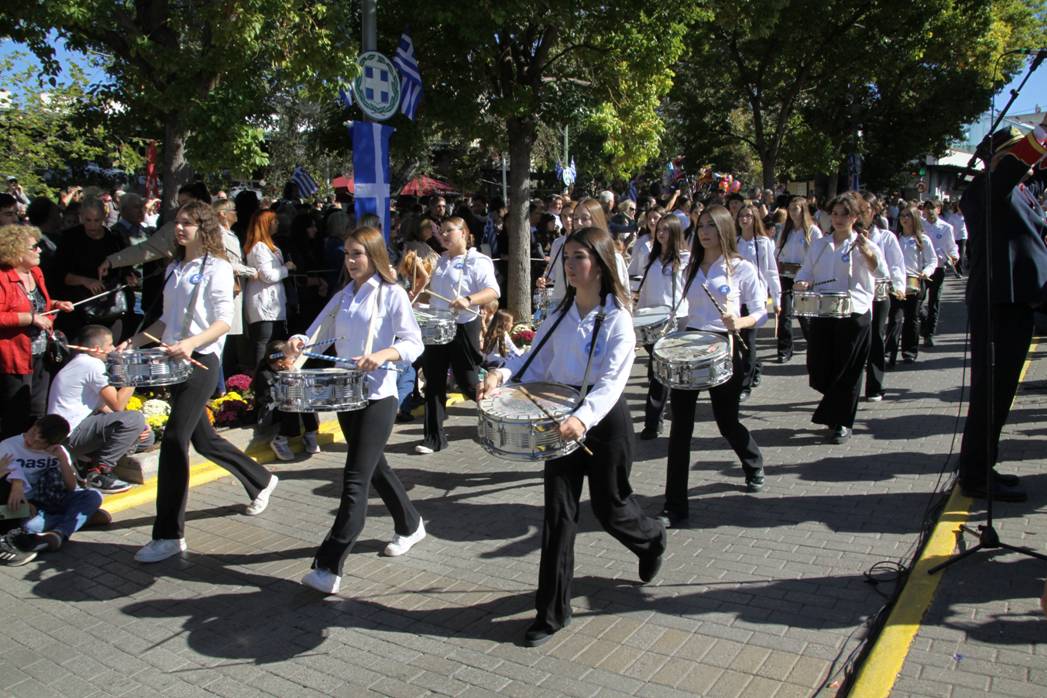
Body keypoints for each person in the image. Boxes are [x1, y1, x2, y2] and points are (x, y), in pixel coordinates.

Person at [477, 226, 666, 647]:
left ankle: (651, 538)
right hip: (558, 420)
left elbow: (613, 382)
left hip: (604, 422)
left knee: (610, 507)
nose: (570, 265)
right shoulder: (560, 315)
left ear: (600, 263)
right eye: (567, 258)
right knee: (558, 516)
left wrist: (584, 418)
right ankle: (552, 613)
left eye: (579, 257)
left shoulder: (617, 318)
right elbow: (531, 362)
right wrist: (500, 375)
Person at [121, 201, 278, 564]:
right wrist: (133, 342)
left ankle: (169, 535)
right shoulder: (175, 268)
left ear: (204, 228)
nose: (180, 228)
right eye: (177, 222)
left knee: (175, 440)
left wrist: (191, 343)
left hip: (201, 362)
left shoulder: (218, 268)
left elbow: (223, 321)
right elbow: (166, 321)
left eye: (188, 223)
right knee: (202, 439)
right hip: (175, 362)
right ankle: (260, 479)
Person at [288, 226, 426, 594]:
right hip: (347, 397)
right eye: (347, 254)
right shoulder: (343, 296)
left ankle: (328, 566)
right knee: (374, 468)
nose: (350, 261)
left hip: (379, 397)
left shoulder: (392, 293)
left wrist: (382, 354)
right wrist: (297, 344)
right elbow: (315, 335)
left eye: (357, 254)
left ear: (374, 255)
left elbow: (414, 343)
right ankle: (411, 523)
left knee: (354, 479)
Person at [956, 122, 1047, 502]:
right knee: (990, 393)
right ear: (1000, 158)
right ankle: (975, 475)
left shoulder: (1021, 190)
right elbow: (1016, 164)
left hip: (1018, 302)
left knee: (1002, 393)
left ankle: (983, 466)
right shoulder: (986, 189)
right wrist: (1043, 132)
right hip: (998, 303)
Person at [660, 206, 767, 529]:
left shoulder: (741, 268)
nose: (704, 232)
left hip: (724, 345)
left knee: (726, 421)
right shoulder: (689, 267)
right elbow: (682, 309)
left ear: (724, 230)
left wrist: (741, 321)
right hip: (690, 346)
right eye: (701, 226)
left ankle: (753, 462)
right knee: (680, 428)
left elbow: (761, 311)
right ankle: (674, 506)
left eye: (711, 226)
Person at [794, 193, 885, 443]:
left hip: (855, 312)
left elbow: (881, 273)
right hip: (824, 310)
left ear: (855, 217)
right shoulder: (820, 245)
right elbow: (806, 270)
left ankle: (842, 422)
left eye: (845, 214)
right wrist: (802, 282)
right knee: (819, 367)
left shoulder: (865, 244)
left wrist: (867, 254)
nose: (838, 218)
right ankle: (835, 409)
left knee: (848, 369)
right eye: (834, 213)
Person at [415, 217, 500, 454]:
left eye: (448, 231)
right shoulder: (440, 261)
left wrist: (469, 300)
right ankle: (433, 438)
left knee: (468, 381)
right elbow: (432, 295)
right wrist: (415, 295)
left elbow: (493, 291)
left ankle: (500, 410)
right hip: (437, 326)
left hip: (464, 325)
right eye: (441, 231)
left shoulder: (478, 261)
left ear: (463, 233)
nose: (443, 235)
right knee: (433, 380)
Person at [46, 324, 148, 494]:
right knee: (135, 419)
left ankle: (84, 460)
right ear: (97, 348)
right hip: (69, 434)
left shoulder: (82, 363)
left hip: (73, 431)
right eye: (110, 344)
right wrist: (134, 376)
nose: (113, 349)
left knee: (145, 436)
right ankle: (98, 473)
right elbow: (118, 404)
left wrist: (138, 427)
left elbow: (104, 406)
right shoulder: (92, 365)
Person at [0, 415, 110, 564]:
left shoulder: (58, 452)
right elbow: (6, 473)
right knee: (29, 526)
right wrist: (18, 486)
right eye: (33, 432)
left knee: (94, 495)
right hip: (29, 504)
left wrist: (62, 459)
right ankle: (81, 518)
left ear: (52, 444)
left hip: (54, 497)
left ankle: (59, 533)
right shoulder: (9, 446)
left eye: (39, 442)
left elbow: (71, 487)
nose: (31, 440)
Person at [0, 225, 74, 438]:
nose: (40, 250)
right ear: (15, 251)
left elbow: (37, 303)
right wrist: (31, 319)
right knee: (16, 414)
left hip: (41, 353)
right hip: (14, 357)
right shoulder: (3, 278)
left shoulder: (36, 273)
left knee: (38, 411)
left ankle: (33, 450)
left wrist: (56, 304)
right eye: (34, 247)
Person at [635, 214, 689, 440]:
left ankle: (654, 422)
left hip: (676, 319)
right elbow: (645, 291)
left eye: (666, 230)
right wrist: (638, 317)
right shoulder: (651, 259)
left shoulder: (685, 259)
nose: (661, 233)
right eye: (659, 230)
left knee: (663, 371)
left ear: (675, 232)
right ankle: (656, 419)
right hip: (653, 321)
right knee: (659, 371)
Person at [858, 193, 905, 401]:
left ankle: (874, 386)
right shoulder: (849, 235)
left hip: (879, 293)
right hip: (858, 293)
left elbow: (896, 264)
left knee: (876, 336)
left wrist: (899, 286)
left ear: (874, 211)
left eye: (866, 210)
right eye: (858, 210)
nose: (862, 214)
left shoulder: (886, 237)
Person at [735, 203, 779, 400]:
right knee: (739, 341)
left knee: (750, 340)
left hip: (756, 296)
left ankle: (744, 385)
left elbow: (771, 271)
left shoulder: (763, 242)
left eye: (748, 216)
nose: (744, 219)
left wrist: (776, 298)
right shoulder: (735, 242)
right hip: (737, 298)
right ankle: (755, 367)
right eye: (741, 216)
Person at [250, 339, 321, 461]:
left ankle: (310, 433)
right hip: (269, 412)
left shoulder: (285, 369)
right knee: (290, 403)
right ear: (280, 362)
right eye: (292, 358)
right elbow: (275, 397)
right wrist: (290, 377)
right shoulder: (265, 375)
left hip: (282, 405)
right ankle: (280, 440)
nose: (294, 360)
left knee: (306, 399)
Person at [243, 210, 295, 371]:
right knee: (263, 342)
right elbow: (267, 275)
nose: (277, 224)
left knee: (273, 342)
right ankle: (259, 376)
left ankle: (272, 373)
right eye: (274, 221)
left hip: (273, 302)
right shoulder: (259, 247)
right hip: (264, 302)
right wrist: (286, 268)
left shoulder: (269, 247)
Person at [885, 205, 936, 366]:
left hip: (915, 282)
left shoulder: (923, 239)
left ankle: (909, 352)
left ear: (915, 219)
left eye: (908, 216)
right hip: (897, 282)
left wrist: (926, 272)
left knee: (912, 318)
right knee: (895, 317)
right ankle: (889, 353)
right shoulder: (895, 238)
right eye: (902, 216)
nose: (904, 219)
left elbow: (932, 260)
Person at [775, 196, 822, 363]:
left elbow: (818, 255)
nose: (792, 212)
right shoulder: (785, 230)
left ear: (803, 210)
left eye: (796, 209)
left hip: (804, 277)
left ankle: (816, 346)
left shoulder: (813, 231)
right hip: (786, 275)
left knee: (804, 314)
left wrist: (811, 277)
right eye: (790, 209)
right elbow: (777, 249)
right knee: (785, 314)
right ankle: (784, 349)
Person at [919, 199, 959, 347]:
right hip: (922, 269)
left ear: (939, 209)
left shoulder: (946, 228)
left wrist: (954, 256)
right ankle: (924, 323)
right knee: (917, 301)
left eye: (933, 208)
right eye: (927, 208)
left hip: (938, 268)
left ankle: (929, 334)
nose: (929, 211)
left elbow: (952, 247)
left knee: (934, 302)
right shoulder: (920, 225)